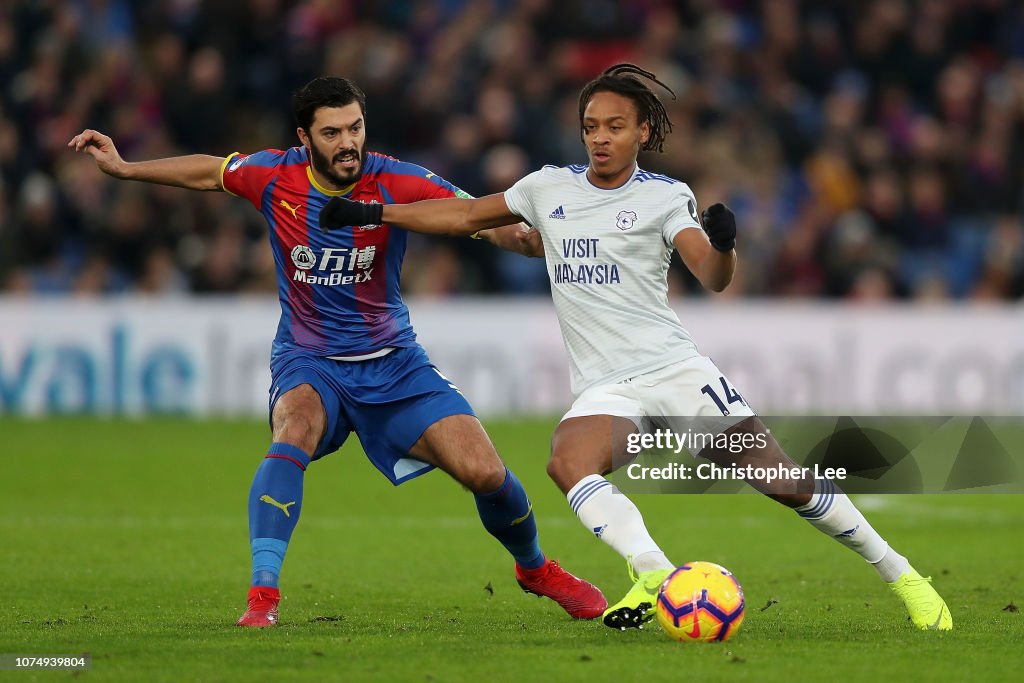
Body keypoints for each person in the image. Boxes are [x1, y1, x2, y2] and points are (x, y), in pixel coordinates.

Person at [318, 64, 953, 632]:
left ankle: (902, 574)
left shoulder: (665, 196)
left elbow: (712, 276)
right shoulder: (547, 188)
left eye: (614, 126)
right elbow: (462, 216)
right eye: (591, 126)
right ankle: (654, 572)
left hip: (674, 370)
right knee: (568, 461)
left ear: (642, 131)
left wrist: (726, 245)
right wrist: (377, 216)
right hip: (607, 385)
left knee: (783, 482)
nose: (599, 137)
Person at [69, 76, 606, 627]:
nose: (348, 142)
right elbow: (209, 170)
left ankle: (535, 569)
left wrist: (520, 237)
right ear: (305, 138)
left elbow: (468, 214)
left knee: (486, 472)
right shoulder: (273, 175)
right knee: (294, 428)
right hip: (309, 359)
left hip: (394, 362)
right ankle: (263, 599)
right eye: (332, 133)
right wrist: (127, 168)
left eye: (355, 127)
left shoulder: (396, 178)